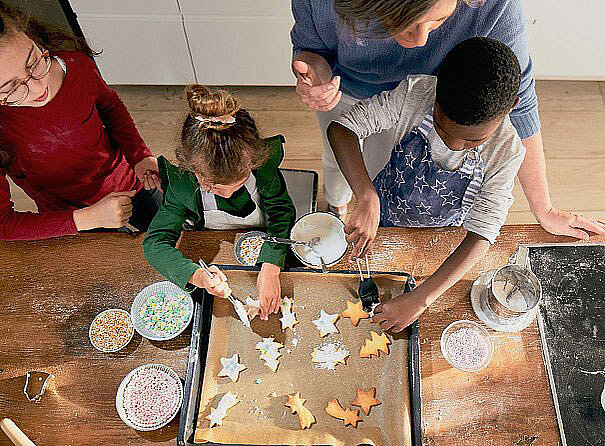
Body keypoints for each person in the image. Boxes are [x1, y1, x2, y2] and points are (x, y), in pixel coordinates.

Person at [291, 0, 605, 239]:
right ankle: (336, 202)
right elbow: (311, 51)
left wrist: (544, 209)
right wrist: (314, 70)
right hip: (346, 93)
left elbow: (520, 104)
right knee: (338, 163)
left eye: (438, 20)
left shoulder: (495, 7)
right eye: (400, 23)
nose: (420, 41)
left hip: (433, 103)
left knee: (376, 169)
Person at [327, 37, 525, 331]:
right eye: (443, 128)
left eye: (473, 140)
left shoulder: (506, 152)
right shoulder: (416, 93)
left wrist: (420, 299)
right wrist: (367, 196)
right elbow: (341, 129)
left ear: (511, 108)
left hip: (442, 234)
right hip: (385, 210)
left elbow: (483, 232)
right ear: (436, 88)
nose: (454, 144)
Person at [0, 2, 161, 240]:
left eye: (33, 62)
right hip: (67, 217)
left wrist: (139, 155)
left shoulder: (77, 66)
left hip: (130, 184)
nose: (37, 86)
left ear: (34, 38)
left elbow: (111, 108)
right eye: (12, 88)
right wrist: (87, 218)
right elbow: (3, 224)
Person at [144, 85, 296, 320]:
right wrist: (196, 276)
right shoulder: (182, 185)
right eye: (212, 186)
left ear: (253, 163)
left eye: (237, 184)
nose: (225, 195)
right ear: (190, 169)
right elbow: (155, 244)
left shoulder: (263, 170)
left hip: (265, 242)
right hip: (217, 250)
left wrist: (271, 266)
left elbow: (281, 213)